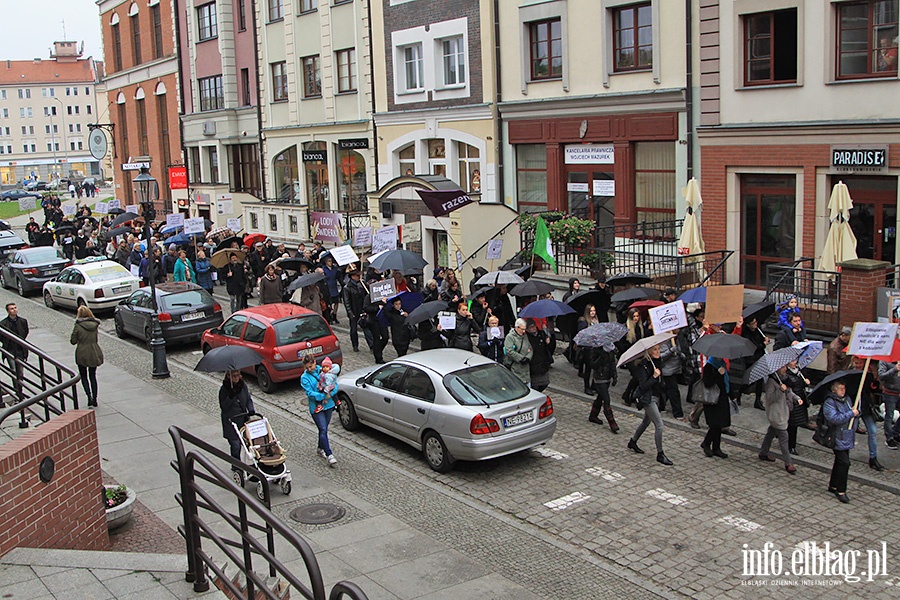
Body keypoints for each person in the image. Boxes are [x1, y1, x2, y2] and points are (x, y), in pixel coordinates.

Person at [627, 345, 672, 465]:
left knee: (646, 422)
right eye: (655, 350)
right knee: (659, 425)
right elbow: (643, 386)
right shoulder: (643, 366)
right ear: (649, 352)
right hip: (648, 398)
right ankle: (660, 454)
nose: (658, 352)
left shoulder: (657, 363)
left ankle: (633, 441)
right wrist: (654, 377)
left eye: (658, 349)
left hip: (656, 397)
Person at [758, 366, 801, 474]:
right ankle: (788, 462)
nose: (784, 369)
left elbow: (789, 392)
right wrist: (780, 391)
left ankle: (763, 452)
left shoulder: (784, 379)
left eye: (785, 367)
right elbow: (770, 398)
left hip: (783, 411)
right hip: (776, 413)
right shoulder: (771, 382)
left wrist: (797, 398)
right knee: (784, 437)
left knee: (771, 431)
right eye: (782, 368)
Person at [823, 380, 858, 503]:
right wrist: (850, 414)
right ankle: (841, 490)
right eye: (840, 388)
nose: (843, 391)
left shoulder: (847, 400)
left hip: (847, 435)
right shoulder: (829, 402)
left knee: (839, 462)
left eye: (844, 388)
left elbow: (852, 414)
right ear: (834, 390)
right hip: (836, 436)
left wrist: (856, 413)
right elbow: (834, 418)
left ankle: (833, 485)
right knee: (845, 463)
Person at [849, 355, 885, 471]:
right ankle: (845, 455)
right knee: (850, 431)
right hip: (854, 407)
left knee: (873, 431)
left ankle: (873, 457)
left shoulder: (868, 374)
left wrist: (873, 382)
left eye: (860, 363)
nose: (858, 365)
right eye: (856, 363)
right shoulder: (849, 374)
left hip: (865, 407)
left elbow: (872, 389)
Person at [300, 355, 338, 465]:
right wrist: (323, 396)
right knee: (322, 428)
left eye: (310, 366)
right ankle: (329, 454)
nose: (309, 369)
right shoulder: (304, 378)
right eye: (307, 368)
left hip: (328, 405)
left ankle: (320, 448)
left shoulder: (324, 369)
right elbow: (309, 393)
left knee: (324, 429)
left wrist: (331, 393)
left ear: (314, 363)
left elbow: (334, 383)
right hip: (316, 407)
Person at [70, 306, 103, 407]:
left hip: (82, 352)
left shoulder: (78, 325)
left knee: (84, 376)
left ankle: (89, 397)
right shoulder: (95, 325)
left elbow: (73, 341)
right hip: (94, 350)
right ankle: (95, 398)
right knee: (93, 376)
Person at [219, 370, 255, 462]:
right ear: (228, 377)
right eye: (233, 376)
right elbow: (224, 407)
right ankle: (236, 465)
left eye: (237, 375)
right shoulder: (224, 390)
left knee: (249, 443)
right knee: (235, 445)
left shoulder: (243, 386)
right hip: (230, 422)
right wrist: (230, 397)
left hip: (243, 420)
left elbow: (248, 399)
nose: (236, 378)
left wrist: (250, 409)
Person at [700, 357, 731, 459]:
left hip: (722, 397)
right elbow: (707, 382)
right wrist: (718, 374)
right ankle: (707, 443)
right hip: (712, 399)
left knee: (720, 423)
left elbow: (725, 381)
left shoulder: (722, 364)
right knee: (714, 424)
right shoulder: (709, 366)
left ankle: (716, 448)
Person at [588, 343, 619, 432]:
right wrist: (601, 356)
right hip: (599, 378)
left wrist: (615, 376)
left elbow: (613, 364)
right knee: (606, 399)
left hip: (607, 377)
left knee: (600, 397)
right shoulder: (596, 349)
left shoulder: (611, 349)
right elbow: (593, 365)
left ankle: (593, 416)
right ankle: (612, 422)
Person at [784, 360, 811, 454]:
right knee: (792, 424)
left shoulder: (799, 372)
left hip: (800, 401)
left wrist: (805, 382)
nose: (795, 362)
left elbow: (800, 385)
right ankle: (790, 445)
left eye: (796, 360)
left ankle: (790, 444)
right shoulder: (786, 375)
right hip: (792, 402)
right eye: (792, 361)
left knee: (795, 424)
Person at [658, 333, 684, 419]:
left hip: (676, 369)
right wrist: (671, 351)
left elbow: (679, 351)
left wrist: (681, 354)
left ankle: (661, 406)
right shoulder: (664, 342)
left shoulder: (677, 340)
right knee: (673, 391)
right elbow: (660, 356)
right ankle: (678, 413)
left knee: (666, 390)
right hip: (668, 370)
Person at [342, 269, 367, 352]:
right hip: (353, 311)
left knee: (366, 327)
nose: (359, 278)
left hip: (361, 309)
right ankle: (355, 345)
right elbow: (347, 302)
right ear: (352, 277)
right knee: (353, 329)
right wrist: (350, 313)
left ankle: (371, 344)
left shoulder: (361, 285)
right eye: (357, 276)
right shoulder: (347, 288)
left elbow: (364, 297)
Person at [878, 357, 900, 449]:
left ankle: (895, 432)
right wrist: (894, 369)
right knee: (889, 416)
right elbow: (881, 376)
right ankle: (889, 438)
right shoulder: (885, 360)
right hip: (890, 392)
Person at [525, 318, 552, 392]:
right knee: (535, 385)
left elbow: (549, 348)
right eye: (530, 327)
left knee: (545, 382)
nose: (533, 328)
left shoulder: (541, 334)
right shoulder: (526, 337)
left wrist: (548, 343)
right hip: (533, 363)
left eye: (534, 326)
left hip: (543, 361)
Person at [504, 318, 533, 385]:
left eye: (524, 329)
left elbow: (530, 348)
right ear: (517, 327)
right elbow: (509, 350)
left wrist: (528, 358)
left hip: (526, 370)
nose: (523, 331)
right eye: (522, 329)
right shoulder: (510, 337)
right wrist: (521, 358)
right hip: (515, 367)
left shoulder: (525, 336)